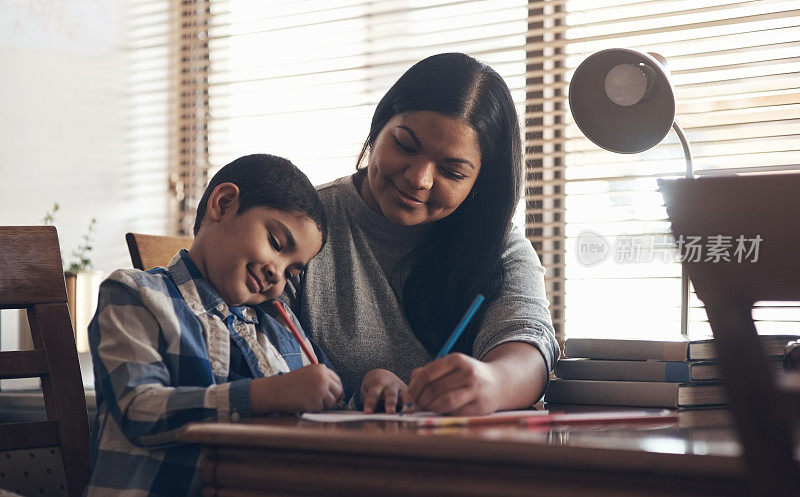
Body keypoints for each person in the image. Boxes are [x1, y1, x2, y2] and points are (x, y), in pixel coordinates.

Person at [282, 53, 560, 416]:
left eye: (452, 172)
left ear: (479, 184)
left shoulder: (497, 245)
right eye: (405, 145)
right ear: (378, 126)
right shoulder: (301, 223)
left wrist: (492, 382)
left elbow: (528, 341)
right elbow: (262, 361)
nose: (419, 178)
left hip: (462, 463)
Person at [86, 154, 344, 497]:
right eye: (277, 244)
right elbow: (139, 409)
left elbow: (333, 409)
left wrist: (371, 388)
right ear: (223, 204)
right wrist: (267, 394)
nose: (277, 275)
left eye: (292, 272)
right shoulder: (136, 294)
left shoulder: (280, 323)